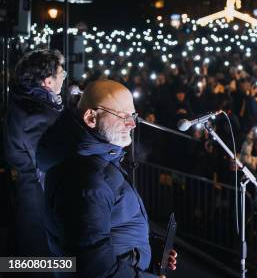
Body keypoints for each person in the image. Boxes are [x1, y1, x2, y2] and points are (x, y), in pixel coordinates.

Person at [38, 80, 177, 277]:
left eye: (133, 115)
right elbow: (93, 267)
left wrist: (147, 247)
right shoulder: (84, 179)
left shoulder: (99, 158)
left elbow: (113, 223)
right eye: (122, 116)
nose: (132, 123)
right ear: (91, 118)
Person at [3, 49, 65, 256]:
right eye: (61, 72)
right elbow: (48, 166)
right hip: (39, 207)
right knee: (41, 264)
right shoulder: (35, 115)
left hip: (30, 201)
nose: (64, 76)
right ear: (48, 81)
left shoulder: (28, 104)